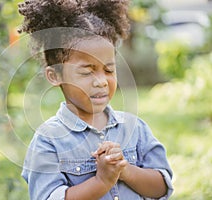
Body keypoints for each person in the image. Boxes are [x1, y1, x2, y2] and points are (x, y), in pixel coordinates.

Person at [18, 0, 173, 199]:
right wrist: (101, 182)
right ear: (55, 75)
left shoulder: (135, 128)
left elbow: (162, 188)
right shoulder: (48, 141)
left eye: (108, 70)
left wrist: (125, 170)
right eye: (86, 72)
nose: (101, 82)